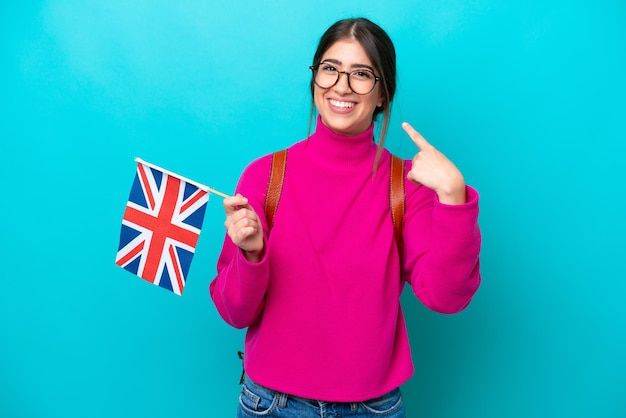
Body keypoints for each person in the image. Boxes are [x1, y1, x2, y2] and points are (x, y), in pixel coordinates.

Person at [210, 17, 481, 417]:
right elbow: (235, 311)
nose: (342, 85)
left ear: (383, 95)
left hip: (373, 408)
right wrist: (251, 256)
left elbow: (447, 298)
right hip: (271, 405)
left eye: (361, 74)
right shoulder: (264, 176)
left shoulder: (407, 185)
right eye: (330, 69)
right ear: (315, 79)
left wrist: (454, 199)